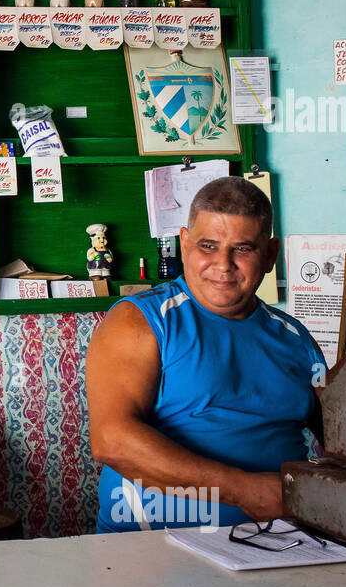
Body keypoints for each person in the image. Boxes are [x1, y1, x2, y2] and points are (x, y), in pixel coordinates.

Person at [86, 177, 326, 532]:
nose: (223, 264)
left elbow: (344, 437)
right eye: (208, 246)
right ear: (184, 245)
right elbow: (112, 441)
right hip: (148, 549)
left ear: (270, 254)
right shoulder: (141, 321)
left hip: (281, 543)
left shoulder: (296, 339)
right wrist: (244, 492)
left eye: (243, 249)